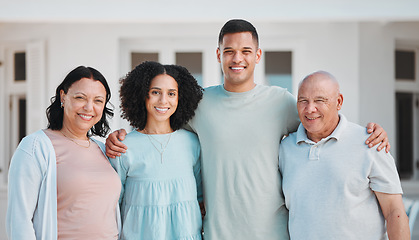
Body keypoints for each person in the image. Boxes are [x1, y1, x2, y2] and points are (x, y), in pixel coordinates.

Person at [105, 19, 390, 240]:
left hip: (273, 234)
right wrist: (120, 135)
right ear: (218, 55)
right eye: (229, 51)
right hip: (217, 234)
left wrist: (365, 132)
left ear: (258, 55)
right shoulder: (200, 104)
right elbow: (159, 126)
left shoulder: (280, 102)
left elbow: (321, 121)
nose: (236, 58)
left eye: (245, 51)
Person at [279, 71, 409, 239]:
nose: (310, 109)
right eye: (303, 100)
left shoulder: (370, 143)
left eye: (320, 100)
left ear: (338, 101)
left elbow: (394, 212)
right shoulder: (285, 149)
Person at [6, 66, 121, 240]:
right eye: (80, 97)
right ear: (63, 97)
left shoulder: (104, 149)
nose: (89, 107)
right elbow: (19, 220)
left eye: (98, 100)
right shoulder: (36, 147)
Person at [111, 61, 204, 239]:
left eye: (171, 93)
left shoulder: (192, 143)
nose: (163, 100)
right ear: (142, 95)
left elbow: (200, 199)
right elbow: (114, 203)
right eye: (155, 92)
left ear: (180, 98)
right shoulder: (124, 147)